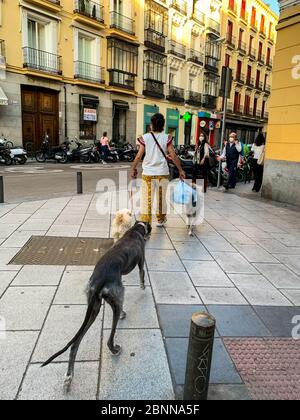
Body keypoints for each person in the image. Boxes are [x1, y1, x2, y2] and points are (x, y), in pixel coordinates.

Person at [131, 113, 185, 226]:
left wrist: (133, 168)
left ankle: (146, 222)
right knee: (161, 198)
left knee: (147, 199)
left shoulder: (145, 137)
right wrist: (180, 170)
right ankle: (160, 220)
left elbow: (138, 156)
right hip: (162, 173)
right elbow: (174, 156)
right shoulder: (167, 138)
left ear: (152, 125)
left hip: (148, 173)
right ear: (163, 125)